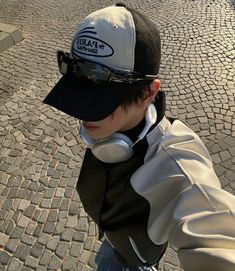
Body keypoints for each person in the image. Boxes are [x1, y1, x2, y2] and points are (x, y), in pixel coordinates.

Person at [43, 3, 235, 271]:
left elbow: (218, 240)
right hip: (113, 236)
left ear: (148, 93)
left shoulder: (178, 168)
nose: (83, 117)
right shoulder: (108, 132)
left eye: (100, 102)